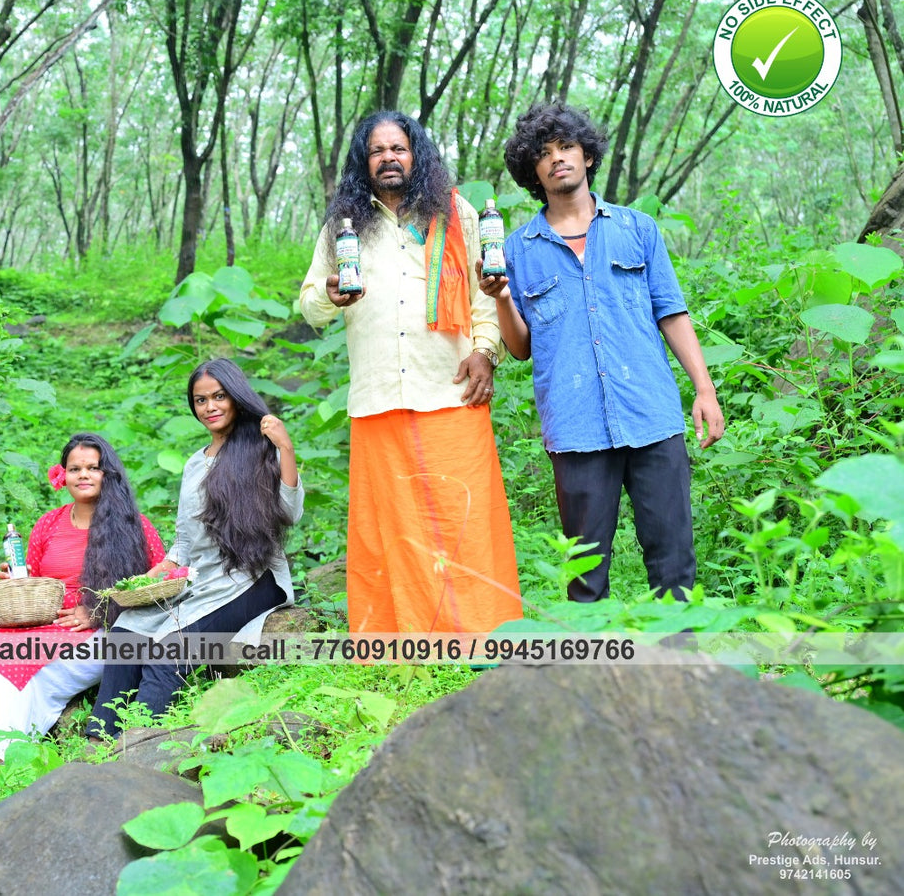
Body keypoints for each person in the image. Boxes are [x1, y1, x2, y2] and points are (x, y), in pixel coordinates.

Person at [486, 102, 725, 601]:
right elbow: (520, 348)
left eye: (567, 147)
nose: (557, 158)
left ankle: (676, 651)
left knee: (674, 562)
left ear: (587, 156)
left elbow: (671, 312)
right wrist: (503, 298)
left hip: (651, 415)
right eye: (544, 153)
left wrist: (704, 390)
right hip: (576, 428)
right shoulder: (517, 250)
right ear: (533, 170)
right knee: (585, 576)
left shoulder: (637, 229)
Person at [299, 110, 523, 634]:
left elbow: (487, 290)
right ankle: (398, 640)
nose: (389, 158)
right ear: (364, 161)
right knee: (388, 530)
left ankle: (479, 636)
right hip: (377, 396)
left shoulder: (456, 213)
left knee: (463, 519)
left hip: (451, 389)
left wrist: (485, 352)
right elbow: (309, 304)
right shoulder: (343, 224)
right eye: (377, 151)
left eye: (398, 148)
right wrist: (329, 295)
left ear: (415, 154)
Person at [87, 358, 302, 739]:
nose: (210, 407)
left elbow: (290, 513)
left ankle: (139, 744)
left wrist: (285, 447)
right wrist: (147, 581)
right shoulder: (193, 465)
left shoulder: (261, 450)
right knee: (125, 634)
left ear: (236, 397)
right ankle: (98, 740)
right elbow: (185, 543)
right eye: (201, 400)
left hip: (252, 578)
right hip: (199, 580)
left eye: (219, 397)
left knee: (169, 652)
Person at [0, 433, 166, 762]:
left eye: (93, 468)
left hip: (100, 632)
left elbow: (159, 580)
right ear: (63, 475)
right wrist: (16, 580)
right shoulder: (48, 523)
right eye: (75, 469)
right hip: (45, 625)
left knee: (12, 659)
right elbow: (35, 580)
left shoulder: (135, 526)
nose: (83, 475)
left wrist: (100, 609)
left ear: (108, 473)